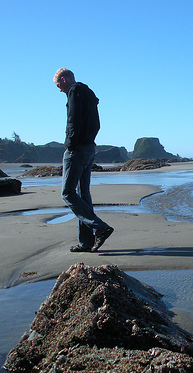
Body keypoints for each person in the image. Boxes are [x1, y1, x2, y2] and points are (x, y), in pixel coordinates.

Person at [53, 68, 113, 252]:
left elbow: (73, 119)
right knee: (83, 194)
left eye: (58, 85)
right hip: (89, 147)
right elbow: (97, 123)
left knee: (68, 193)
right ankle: (86, 242)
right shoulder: (88, 94)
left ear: (64, 79)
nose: (59, 90)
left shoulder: (74, 91)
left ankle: (100, 228)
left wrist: (70, 144)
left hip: (77, 149)